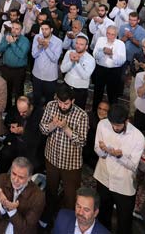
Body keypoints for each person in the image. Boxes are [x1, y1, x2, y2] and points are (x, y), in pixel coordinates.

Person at [40, 84, 89, 226]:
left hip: (71, 164)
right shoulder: (51, 106)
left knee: (71, 196)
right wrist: (53, 125)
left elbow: (81, 142)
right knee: (50, 190)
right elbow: (42, 129)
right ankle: (49, 214)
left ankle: (68, 223)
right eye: (60, 102)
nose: (62, 106)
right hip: (51, 158)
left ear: (73, 101)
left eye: (66, 103)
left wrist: (66, 128)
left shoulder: (81, 115)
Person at [92, 103, 145, 234]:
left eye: (118, 125)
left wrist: (119, 156)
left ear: (126, 121)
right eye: (112, 124)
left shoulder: (137, 137)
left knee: (124, 221)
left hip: (124, 184)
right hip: (103, 177)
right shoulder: (102, 125)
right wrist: (104, 151)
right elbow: (97, 149)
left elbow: (133, 165)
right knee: (103, 213)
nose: (115, 128)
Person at [0, 156, 45, 234]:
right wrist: (2, 206)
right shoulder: (2, 179)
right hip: (0, 229)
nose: (15, 180)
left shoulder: (38, 197)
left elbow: (25, 229)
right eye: (14, 174)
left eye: (21, 177)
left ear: (29, 178)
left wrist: (12, 210)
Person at [0, 95, 44, 176]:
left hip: (31, 147)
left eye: (24, 112)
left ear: (30, 107)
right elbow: (8, 120)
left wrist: (24, 131)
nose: (21, 114)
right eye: (20, 112)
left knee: (30, 167)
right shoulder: (16, 108)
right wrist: (11, 125)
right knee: (4, 155)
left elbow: (39, 135)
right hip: (15, 142)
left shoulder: (39, 114)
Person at [0, 19, 30, 112]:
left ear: (21, 30)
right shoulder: (6, 37)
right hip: (6, 69)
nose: (14, 30)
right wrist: (7, 42)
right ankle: (6, 109)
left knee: (18, 91)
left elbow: (21, 54)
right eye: (13, 28)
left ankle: (17, 110)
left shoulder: (25, 41)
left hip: (19, 70)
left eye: (17, 29)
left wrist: (12, 43)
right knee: (6, 90)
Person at [92, 25, 127, 111]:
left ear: (116, 35)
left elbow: (122, 61)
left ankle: (113, 114)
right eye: (108, 33)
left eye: (112, 34)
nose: (110, 36)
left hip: (114, 71)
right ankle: (94, 112)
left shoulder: (120, 44)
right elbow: (95, 55)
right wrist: (103, 52)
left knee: (113, 95)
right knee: (97, 93)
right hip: (100, 69)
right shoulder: (100, 40)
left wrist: (111, 55)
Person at [60, 32, 95, 110]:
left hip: (80, 91)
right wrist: (71, 61)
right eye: (77, 43)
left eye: (81, 44)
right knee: (62, 108)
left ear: (86, 47)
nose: (78, 46)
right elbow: (62, 69)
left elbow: (85, 76)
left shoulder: (90, 59)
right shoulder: (69, 53)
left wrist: (77, 62)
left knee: (77, 111)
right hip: (66, 86)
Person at [31, 21, 62, 105]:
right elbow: (33, 55)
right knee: (36, 98)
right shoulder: (37, 37)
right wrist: (40, 46)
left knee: (49, 100)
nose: (44, 31)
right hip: (37, 74)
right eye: (42, 29)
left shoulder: (58, 42)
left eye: (46, 29)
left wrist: (46, 47)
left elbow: (55, 59)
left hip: (50, 77)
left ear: (51, 29)